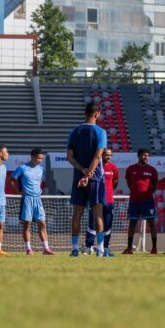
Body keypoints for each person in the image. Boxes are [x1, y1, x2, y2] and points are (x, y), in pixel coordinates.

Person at [67, 101, 108, 257]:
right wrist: (89, 173)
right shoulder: (101, 132)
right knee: (98, 214)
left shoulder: (74, 132)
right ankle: (101, 250)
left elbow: (69, 157)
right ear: (97, 114)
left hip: (78, 178)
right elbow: (98, 156)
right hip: (95, 178)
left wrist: (83, 171)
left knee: (77, 213)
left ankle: (75, 249)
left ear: (85, 113)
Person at [11, 148, 54, 255]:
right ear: (33, 157)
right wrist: (18, 191)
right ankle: (29, 249)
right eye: (38, 158)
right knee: (27, 224)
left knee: (42, 223)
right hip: (27, 199)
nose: (40, 160)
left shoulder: (40, 169)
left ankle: (46, 249)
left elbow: (39, 182)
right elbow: (11, 179)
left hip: (38, 199)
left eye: (41, 159)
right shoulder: (22, 168)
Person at [123, 149, 159, 254]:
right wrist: (134, 191)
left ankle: (154, 248)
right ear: (138, 156)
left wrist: (150, 192)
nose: (146, 157)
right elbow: (128, 181)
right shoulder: (131, 169)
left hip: (147, 201)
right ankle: (129, 248)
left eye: (147, 155)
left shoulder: (152, 170)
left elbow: (155, 183)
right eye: (144, 155)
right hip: (134, 200)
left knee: (151, 223)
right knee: (132, 223)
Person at [84, 149, 119, 256]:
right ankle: (88, 246)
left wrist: (107, 192)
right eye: (106, 155)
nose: (108, 157)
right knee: (93, 223)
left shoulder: (113, 168)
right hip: (96, 199)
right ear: (101, 155)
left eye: (110, 155)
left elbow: (115, 182)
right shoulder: (95, 166)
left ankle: (105, 247)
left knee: (107, 225)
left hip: (108, 200)